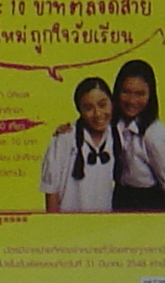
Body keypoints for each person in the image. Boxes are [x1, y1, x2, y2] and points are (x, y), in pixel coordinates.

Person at [110, 59, 165, 213]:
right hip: (121, 196)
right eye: (126, 92)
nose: (131, 100)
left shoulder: (155, 136)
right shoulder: (115, 124)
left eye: (140, 94)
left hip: (147, 201)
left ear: (151, 95)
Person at [40, 77, 119, 214]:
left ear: (112, 103)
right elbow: (51, 189)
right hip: (69, 225)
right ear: (79, 110)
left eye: (102, 105)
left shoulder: (117, 135)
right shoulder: (65, 139)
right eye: (88, 108)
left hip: (105, 224)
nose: (98, 114)